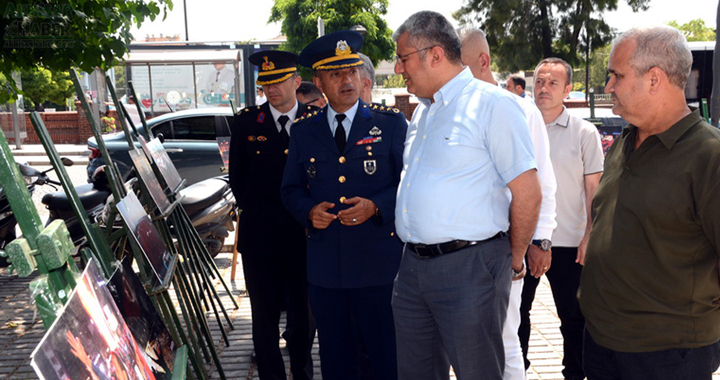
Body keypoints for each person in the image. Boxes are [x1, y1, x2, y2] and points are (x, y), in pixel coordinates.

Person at [392, 11, 541, 380]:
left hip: (470, 267)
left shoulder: (493, 104)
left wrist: (515, 260)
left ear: (435, 54)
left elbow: (528, 193)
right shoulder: (422, 113)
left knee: (478, 372)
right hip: (412, 267)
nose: (398, 68)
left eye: (404, 57)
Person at [578, 26, 720, 380]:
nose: (608, 87)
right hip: (600, 339)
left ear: (654, 79)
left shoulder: (708, 155)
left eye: (616, 75)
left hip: (668, 354)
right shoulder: (626, 139)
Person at [282, 30, 408, 380]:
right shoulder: (304, 131)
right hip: (327, 270)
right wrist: (308, 212)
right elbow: (290, 190)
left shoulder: (389, 124)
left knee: (385, 359)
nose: (346, 80)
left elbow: (409, 186)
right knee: (337, 362)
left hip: (378, 268)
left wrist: (376, 206)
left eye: (351, 71)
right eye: (335, 74)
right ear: (319, 81)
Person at [459, 27, 557, 380]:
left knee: (504, 338)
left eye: (461, 65)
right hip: (462, 256)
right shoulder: (454, 110)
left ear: (483, 62)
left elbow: (541, 182)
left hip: (505, 249)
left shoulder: (519, 110)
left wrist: (538, 241)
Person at [228, 50, 316, 380]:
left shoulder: (313, 120)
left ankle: (303, 372)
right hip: (260, 239)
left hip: (303, 237)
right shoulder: (248, 121)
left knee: (303, 318)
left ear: (296, 81)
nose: (271, 88)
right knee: (263, 320)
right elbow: (237, 178)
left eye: (278, 81)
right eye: (265, 83)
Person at [518, 57, 603, 380]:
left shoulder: (584, 132)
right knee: (517, 315)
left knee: (574, 318)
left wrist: (589, 236)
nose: (543, 88)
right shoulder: (519, 126)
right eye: (539, 81)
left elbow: (593, 189)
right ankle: (518, 373)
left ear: (568, 89)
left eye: (553, 83)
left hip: (569, 242)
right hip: (524, 239)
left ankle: (575, 374)